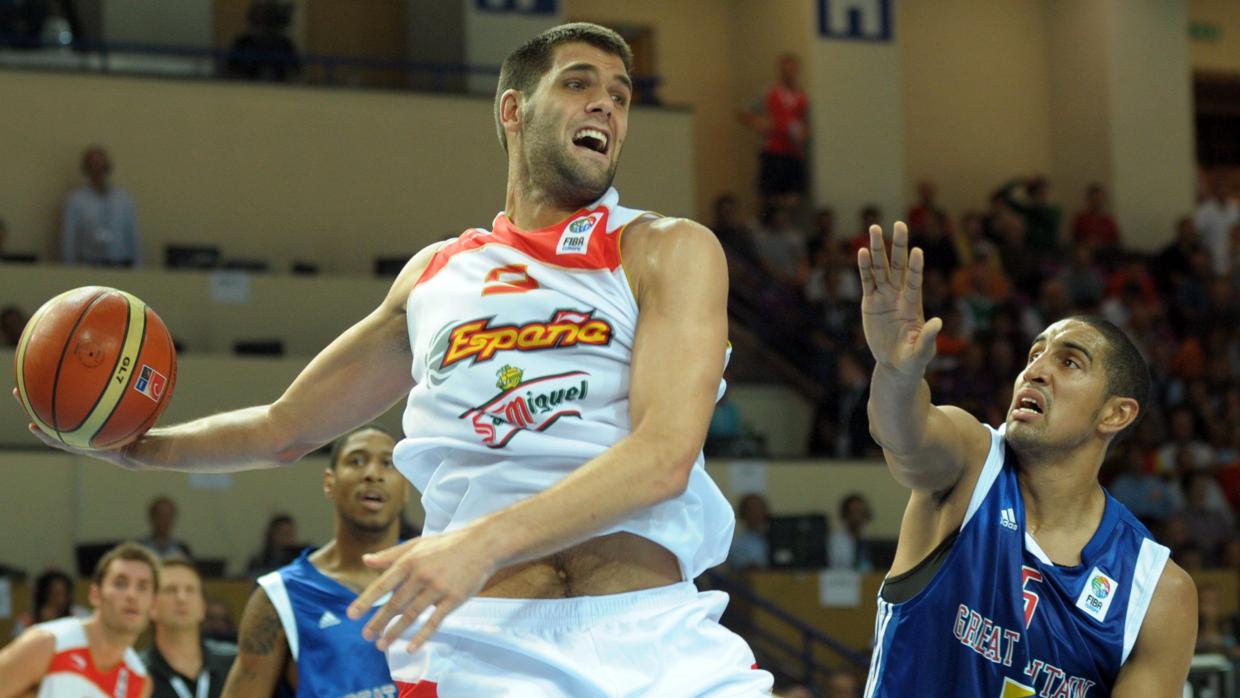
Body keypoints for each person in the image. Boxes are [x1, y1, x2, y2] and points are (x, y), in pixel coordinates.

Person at [21, 22, 769, 696]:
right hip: (483, 650)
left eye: (620, 94)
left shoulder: (667, 250)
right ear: (513, 111)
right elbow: (282, 428)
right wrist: (135, 451)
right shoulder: (436, 277)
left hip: (657, 639)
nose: (605, 103)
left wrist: (479, 543)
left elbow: (665, 456)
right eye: (578, 83)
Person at [857, 222, 1195, 695]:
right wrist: (894, 372)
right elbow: (904, 438)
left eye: (1069, 362)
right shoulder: (972, 463)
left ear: (1116, 414)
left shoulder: (1156, 591)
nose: (1035, 371)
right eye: (1034, 355)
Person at [221, 426, 409, 697]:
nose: (372, 474)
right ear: (329, 482)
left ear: (406, 488)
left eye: (388, 463)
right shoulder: (279, 595)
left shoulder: (438, 574)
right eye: (356, 461)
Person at [0, 541, 158, 698]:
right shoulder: (47, 643)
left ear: (153, 604)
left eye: (142, 587)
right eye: (120, 584)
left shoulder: (140, 682)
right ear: (95, 595)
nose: (132, 595)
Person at [142, 559, 237, 698]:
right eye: (170, 590)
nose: (181, 598)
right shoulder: (136, 672)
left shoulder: (235, 663)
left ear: (203, 606)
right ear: (151, 606)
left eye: (190, 590)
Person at [738, 53, 809, 204]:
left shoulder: (802, 97)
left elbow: (805, 125)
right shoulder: (770, 93)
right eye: (785, 70)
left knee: (793, 197)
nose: (789, 74)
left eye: (792, 70)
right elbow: (744, 113)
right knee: (770, 196)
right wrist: (759, 123)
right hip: (774, 151)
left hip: (794, 152)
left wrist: (803, 134)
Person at [61, 145, 143, 267]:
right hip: (88, 265)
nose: (97, 168)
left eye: (100, 163)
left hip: (120, 265)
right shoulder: (76, 199)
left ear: (107, 166)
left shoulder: (123, 198)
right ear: (86, 167)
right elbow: (69, 236)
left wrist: (138, 266)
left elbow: (133, 234)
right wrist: (69, 267)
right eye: (93, 164)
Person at [10, 568, 89, 638]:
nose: (61, 599)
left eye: (64, 594)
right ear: (44, 595)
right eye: (55, 594)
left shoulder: (80, 616)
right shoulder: (25, 622)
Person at [244, 513, 300, 578]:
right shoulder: (260, 560)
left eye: (290, 533)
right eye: (282, 533)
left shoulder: (299, 559)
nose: (286, 538)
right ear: (272, 535)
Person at [828, 493, 872, 572]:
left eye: (861, 512)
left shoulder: (870, 539)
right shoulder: (835, 540)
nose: (857, 517)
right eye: (854, 512)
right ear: (845, 514)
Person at [139, 496, 194, 560]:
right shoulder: (139, 548)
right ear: (151, 518)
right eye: (160, 515)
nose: (164, 520)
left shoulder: (183, 550)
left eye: (168, 516)